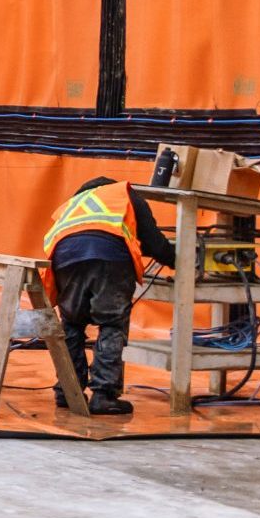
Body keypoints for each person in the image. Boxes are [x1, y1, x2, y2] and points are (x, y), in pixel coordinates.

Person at [43, 176, 173, 415]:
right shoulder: (125, 196)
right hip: (109, 259)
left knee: (71, 324)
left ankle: (68, 390)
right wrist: (183, 261)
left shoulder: (75, 202)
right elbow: (157, 245)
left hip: (65, 259)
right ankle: (104, 395)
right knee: (112, 323)